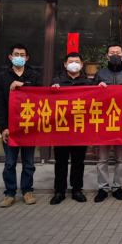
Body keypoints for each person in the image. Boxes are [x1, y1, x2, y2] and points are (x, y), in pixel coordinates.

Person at [0, 43, 41, 208]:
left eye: (22, 55)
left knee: (29, 163)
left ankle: (27, 191)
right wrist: (4, 127)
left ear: (27, 58)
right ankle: (10, 193)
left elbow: (40, 96)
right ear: (10, 57)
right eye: (16, 54)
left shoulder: (34, 75)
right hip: (11, 128)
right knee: (10, 163)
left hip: (29, 126)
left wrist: (23, 86)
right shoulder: (1, 77)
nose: (19, 57)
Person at [93, 44, 122, 203]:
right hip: (104, 121)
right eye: (112, 53)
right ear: (107, 56)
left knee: (120, 159)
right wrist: (97, 88)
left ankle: (118, 187)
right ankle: (103, 188)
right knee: (102, 159)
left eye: (118, 52)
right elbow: (91, 96)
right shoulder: (100, 74)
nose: (115, 55)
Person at [49, 52, 92, 205]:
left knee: (78, 161)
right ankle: (59, 191)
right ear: (65, 64)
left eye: (77, 61)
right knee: (60, 161)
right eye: (71, 61)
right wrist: (52, 90)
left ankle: (77, 190)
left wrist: (101, 88)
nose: (74, 64)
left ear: (81, 64)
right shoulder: (57, 82)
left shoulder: (88, 83)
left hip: (80, 128)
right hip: (62, 128)